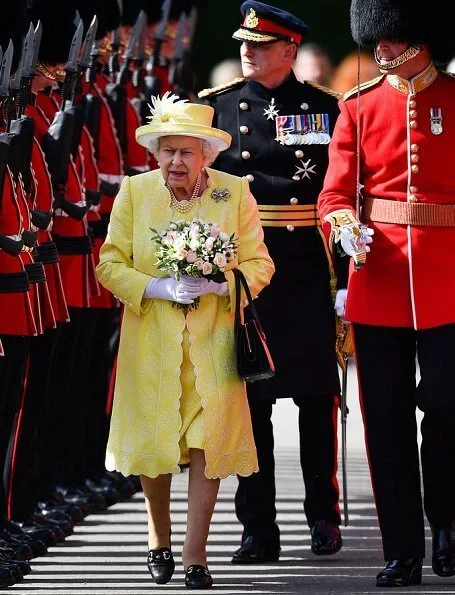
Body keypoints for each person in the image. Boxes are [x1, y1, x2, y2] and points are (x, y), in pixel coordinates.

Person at [96, 94, 274, 589]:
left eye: (186, 152)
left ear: (206, 156)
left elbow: (261, 264)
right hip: (151, 342)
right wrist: (157, 287)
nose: (176, 161)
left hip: (213, 344)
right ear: (157, 154)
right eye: (167, 151)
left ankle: (196, 554)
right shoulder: (134, 192)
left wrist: (224, 283)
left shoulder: (234, 193)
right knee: (157, 441)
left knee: (206, 442)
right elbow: (109, 264)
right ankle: (159, 535)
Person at [199, 0, 346, 564]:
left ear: (289, 51)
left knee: (315, 399)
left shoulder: (326, 109)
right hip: (244, 270)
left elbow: (340, 193)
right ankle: (258, 527)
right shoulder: (214, 110)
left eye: (261, 45)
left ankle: (322, 517)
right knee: (250, 403)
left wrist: (344, 273)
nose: (248, 51)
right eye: (244, 43)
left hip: (306, 268)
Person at [318, 0, 455, 587]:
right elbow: (335, 193)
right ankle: (402, 547)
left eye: (386, 39)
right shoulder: (359, 105)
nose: (377, 50)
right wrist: (345, 226)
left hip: (448, 279)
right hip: (379, 281)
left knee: (449, 410)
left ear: (417, 38)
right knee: (388, 419)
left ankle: (447, 526)